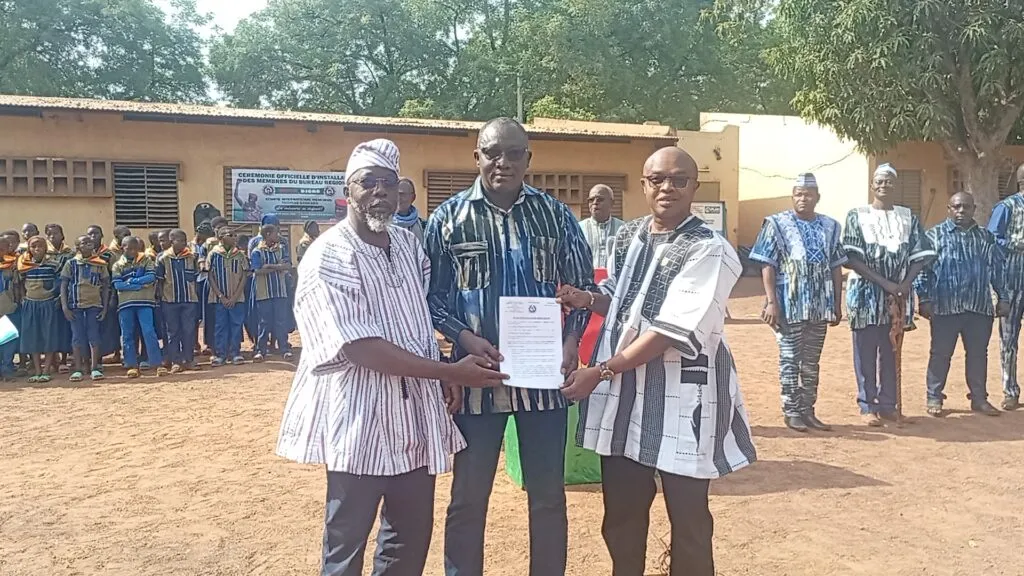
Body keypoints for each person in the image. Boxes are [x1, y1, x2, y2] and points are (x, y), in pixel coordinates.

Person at [276, 138, 508, 576]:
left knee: (407, 539)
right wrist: (447, 369)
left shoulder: (407, 246)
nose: (380, 191)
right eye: (368, 182)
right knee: (346, 544)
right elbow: (358, 347)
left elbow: (418, 318)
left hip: (413, 421)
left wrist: (446, 367)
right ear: (348, 190)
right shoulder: (329, 255)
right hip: (359, 421)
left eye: (389, 182)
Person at [556, 146, 755, 576]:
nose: (668, 187)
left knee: (689, 520)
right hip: (625, 399)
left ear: (694, 187)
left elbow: (669, 331)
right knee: (622, 515)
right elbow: (624, 301)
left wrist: (601, 371)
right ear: (644, 185)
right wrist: (586, 298)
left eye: (679, 180)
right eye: (658, 179)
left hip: (683, 398)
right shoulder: (628, 236)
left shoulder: (711, 249)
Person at [425, 117, 596, 576]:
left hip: (543, 383)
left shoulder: (556, 216)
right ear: (476, 157)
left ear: (528, 159)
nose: (503, 162)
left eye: (514, 153)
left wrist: (571, 340)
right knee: (468, 498)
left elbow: (581, 289)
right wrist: (463, 338)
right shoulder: (447, 219)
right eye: (493, 152)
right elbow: (432, 297)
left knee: (548, 498)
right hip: (476, 380)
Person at [749, 173, 846, 431]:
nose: (803, 199)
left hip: (819, 305)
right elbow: (767, 264)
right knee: (790, 359)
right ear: (792, 196)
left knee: (812, 362)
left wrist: (837, 303)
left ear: (817, 197)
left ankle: (808, 411)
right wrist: (771, 302)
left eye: (808, 194)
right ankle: (791, 411)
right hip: (789, 304)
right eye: (798, 194)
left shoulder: (831, 226)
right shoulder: (776, 224)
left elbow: (836, 266)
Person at [843, 164, 936, 426]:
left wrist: (905, 283)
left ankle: (888, 404)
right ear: (872, 185)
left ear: (895, 186)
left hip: (898, 296)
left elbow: (921, 255)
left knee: (891, 348)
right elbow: (851, 258)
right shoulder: (857, 215)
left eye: (889, 181)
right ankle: (867, 405)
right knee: (865, 350)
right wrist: (886, 283)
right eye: (880, 181)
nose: (884, 185)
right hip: (865, 294)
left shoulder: (908, 217)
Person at [915, 193, 1005, 416]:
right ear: (949, 209)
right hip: (945, 307)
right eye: (956, 207)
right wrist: (924, 299)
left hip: (978, 307)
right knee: (940, 354)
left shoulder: (986, 237)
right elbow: (922, 271)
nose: (961, 211)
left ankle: (979, 399)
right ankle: (934, 397)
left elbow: (997, 270)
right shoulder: (934, 236)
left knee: (978, 355)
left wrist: (1003, 297)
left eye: (966, 207)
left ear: (974, 209)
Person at [986, 162, 1024, 411]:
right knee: (1009, 337)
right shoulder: (1007, 207)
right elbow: (992, 239)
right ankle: (1010, 390)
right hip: (1012, 277)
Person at [112, 236, 166, 378]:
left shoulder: (146, 261)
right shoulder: (117, 265)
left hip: (145, 302)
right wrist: (139, 285)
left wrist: (132, 281)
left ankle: (156, 364)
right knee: (127, 334)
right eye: (129, 248)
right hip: (125, 304)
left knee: (149, 332)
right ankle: (131, 365)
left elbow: (151, 278)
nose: (132, 251)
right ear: (122, 248)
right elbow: (118, 285)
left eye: (135, 248)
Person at [60, 235, 110, 382]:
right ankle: (78, 369)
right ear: (78, 247)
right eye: (84, 242)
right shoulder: (71, 263)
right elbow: (63, 286)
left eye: (90, 242)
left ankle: (94, 368)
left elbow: (106, 287)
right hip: (75, 306)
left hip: (94, 306)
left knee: (94, 336)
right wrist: (65, 307)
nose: (88, 244)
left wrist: (104, 308)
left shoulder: (100, 264)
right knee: (77, 337)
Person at [18, 236, 62, 383]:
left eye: (40, 246)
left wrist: (56, 297)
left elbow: (60, 283)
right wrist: (23, 298)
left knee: (48, 336)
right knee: (32, 337)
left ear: (46, 248)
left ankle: (46, 370)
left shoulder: (53, 264)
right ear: (29, 248)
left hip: (47, 303)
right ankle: (37, 370)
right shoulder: (24, 265)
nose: (37, 249)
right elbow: (20, 283)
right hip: (30, 304)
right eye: (33, 246)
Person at [156, 229, 200, 374]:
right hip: (170, 300)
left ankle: (189, 359)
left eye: (184, 240)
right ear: (171, 241)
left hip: (189, 300)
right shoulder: (162, 258)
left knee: (189, 331)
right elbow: (159, 281)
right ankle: (176, 361)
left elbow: (195, 278)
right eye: (179, 240)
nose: (183, 243)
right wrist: (162, 298)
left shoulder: (192, 257)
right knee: (172, 332)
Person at [207, 226, 250, 366]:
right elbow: (210, 276)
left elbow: (244, 276)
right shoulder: (213, 254)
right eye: (230, 235)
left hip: (237, 298)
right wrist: (222, 296)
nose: (234, 238)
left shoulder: (240, 255)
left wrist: (235, 296)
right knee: (221, 326)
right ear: (221, 238)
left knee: (236, 325)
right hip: (219, 299)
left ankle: (235, 353)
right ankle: (221, 354)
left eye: (235, 235)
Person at [250, 223, 293, 362]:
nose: (278, 235)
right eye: (275, 233)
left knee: (281, 321)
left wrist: (269, 266)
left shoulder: (281, 249)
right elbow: (257, 270)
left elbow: (288, 265)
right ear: (268, 234)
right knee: (264, 323)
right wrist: (278, 267)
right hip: (264, 293)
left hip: (280, 292)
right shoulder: (257, 251)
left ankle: (284, 349)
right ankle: (260, 350)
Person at [86, 225, 121, 361]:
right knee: (93, 327)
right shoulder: (84, 255)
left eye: (95, 234)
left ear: (101, 236)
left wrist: (112, 296)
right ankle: (96, 357)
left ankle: (115, 353)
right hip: (90, 296)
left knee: (110, 325)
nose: (92, 237)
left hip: (106, 294)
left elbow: (113, 276)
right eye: (90, 234)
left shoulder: (108, 255)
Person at [46, 224, 74, 372]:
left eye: (56, 233)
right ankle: (53, 360)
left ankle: (64, 360)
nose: (52, 236)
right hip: (48, 295)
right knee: (51, 328)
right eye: (49, 234)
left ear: (62, 235)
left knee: (64, 328)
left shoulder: (70, 254)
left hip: (65, 294)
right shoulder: (45, 254)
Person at [578, 184, 624, 269]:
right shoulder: (578, 229)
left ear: (611, 203)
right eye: (591, 200)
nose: (595, 203)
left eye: (600, 199)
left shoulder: (623, 229)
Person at [193, 220, 217, 356]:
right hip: (199, 282)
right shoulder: (190, 246)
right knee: (197, 315)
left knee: (209, 314)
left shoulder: (211, 244)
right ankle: (195, 343)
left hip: (210, 282)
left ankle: (210, 343)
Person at [0, 232, 22, 381]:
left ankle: (7, 369)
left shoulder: (13, 265)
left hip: (9, 306)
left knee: (9, 339)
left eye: (3, 248)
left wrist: (17, 302)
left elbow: (17, 285)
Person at [394, 178, 427, 242]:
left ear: (413, 198)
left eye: (402, 194)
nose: (398, 198)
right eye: (395, 194)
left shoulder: (424, 226)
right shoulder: (383, 224)